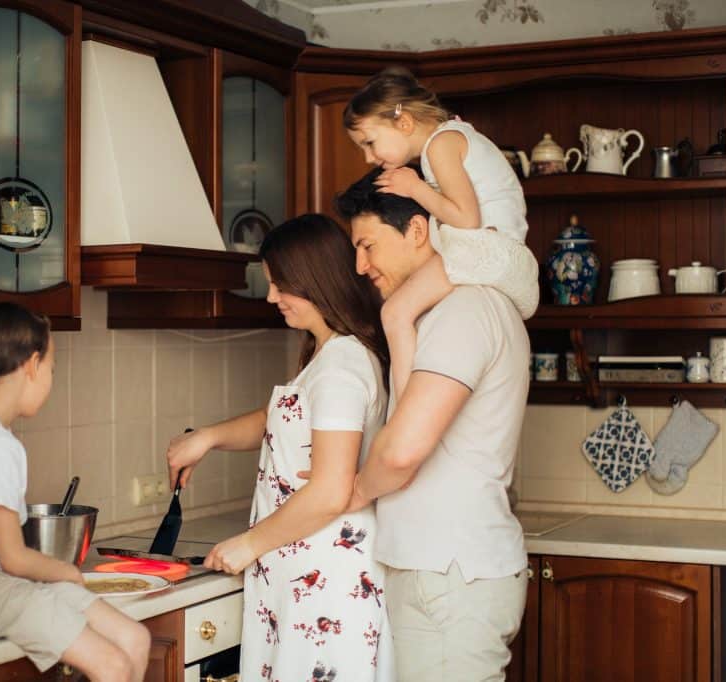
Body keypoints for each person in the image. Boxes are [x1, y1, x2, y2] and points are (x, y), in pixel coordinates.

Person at [164, 214, 396, 682]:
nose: (272, 297)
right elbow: (286, 419)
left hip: (326, 583)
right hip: (307, 571)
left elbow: (331, 490)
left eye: (279, 284)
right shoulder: (329, 356)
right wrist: (207, 437)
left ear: (315, 280)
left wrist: (248, 543)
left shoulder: (340, 368)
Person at [334, 171, 530, 681]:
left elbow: (402, 452)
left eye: (368, 245)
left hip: (450, 574)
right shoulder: (435, 313)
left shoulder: (466, 309)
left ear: (418, 230)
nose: (361, 265)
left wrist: (355, 490)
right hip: (444, 570)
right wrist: (398, 319)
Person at [0, 302, 150, 682]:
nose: (50, 378)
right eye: (52, 368)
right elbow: (13, 558)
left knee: (135, 639)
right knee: (113, 664)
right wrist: (66, 570)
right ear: (32, 365)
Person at [343, 66, 540, 399]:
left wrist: (414, 187)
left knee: (395, 312)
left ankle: (403, 412)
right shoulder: (455, 135)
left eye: (370, 143)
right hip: (500, 252)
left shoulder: (441, 145)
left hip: (483, 249)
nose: (368, 157)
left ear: (403, 122)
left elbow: (466, 219)